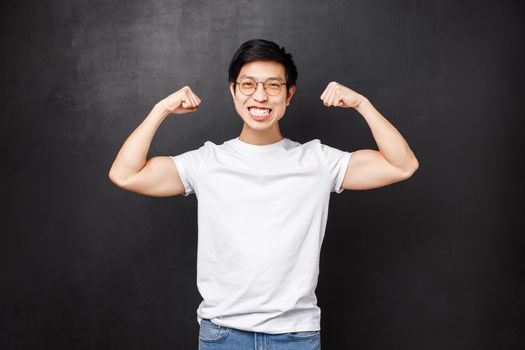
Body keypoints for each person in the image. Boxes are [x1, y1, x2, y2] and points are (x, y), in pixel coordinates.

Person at [108, 39, 419, 350]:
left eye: (273, 86)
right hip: (223, 335)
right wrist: (160, 109)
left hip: (296, 336)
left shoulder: (318, 160)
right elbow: (125, 173)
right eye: (248, 84)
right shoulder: (207, 162)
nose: (259, 96)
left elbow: (401, 165)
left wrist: (361, 103)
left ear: (289, 94)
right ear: (233, 91)